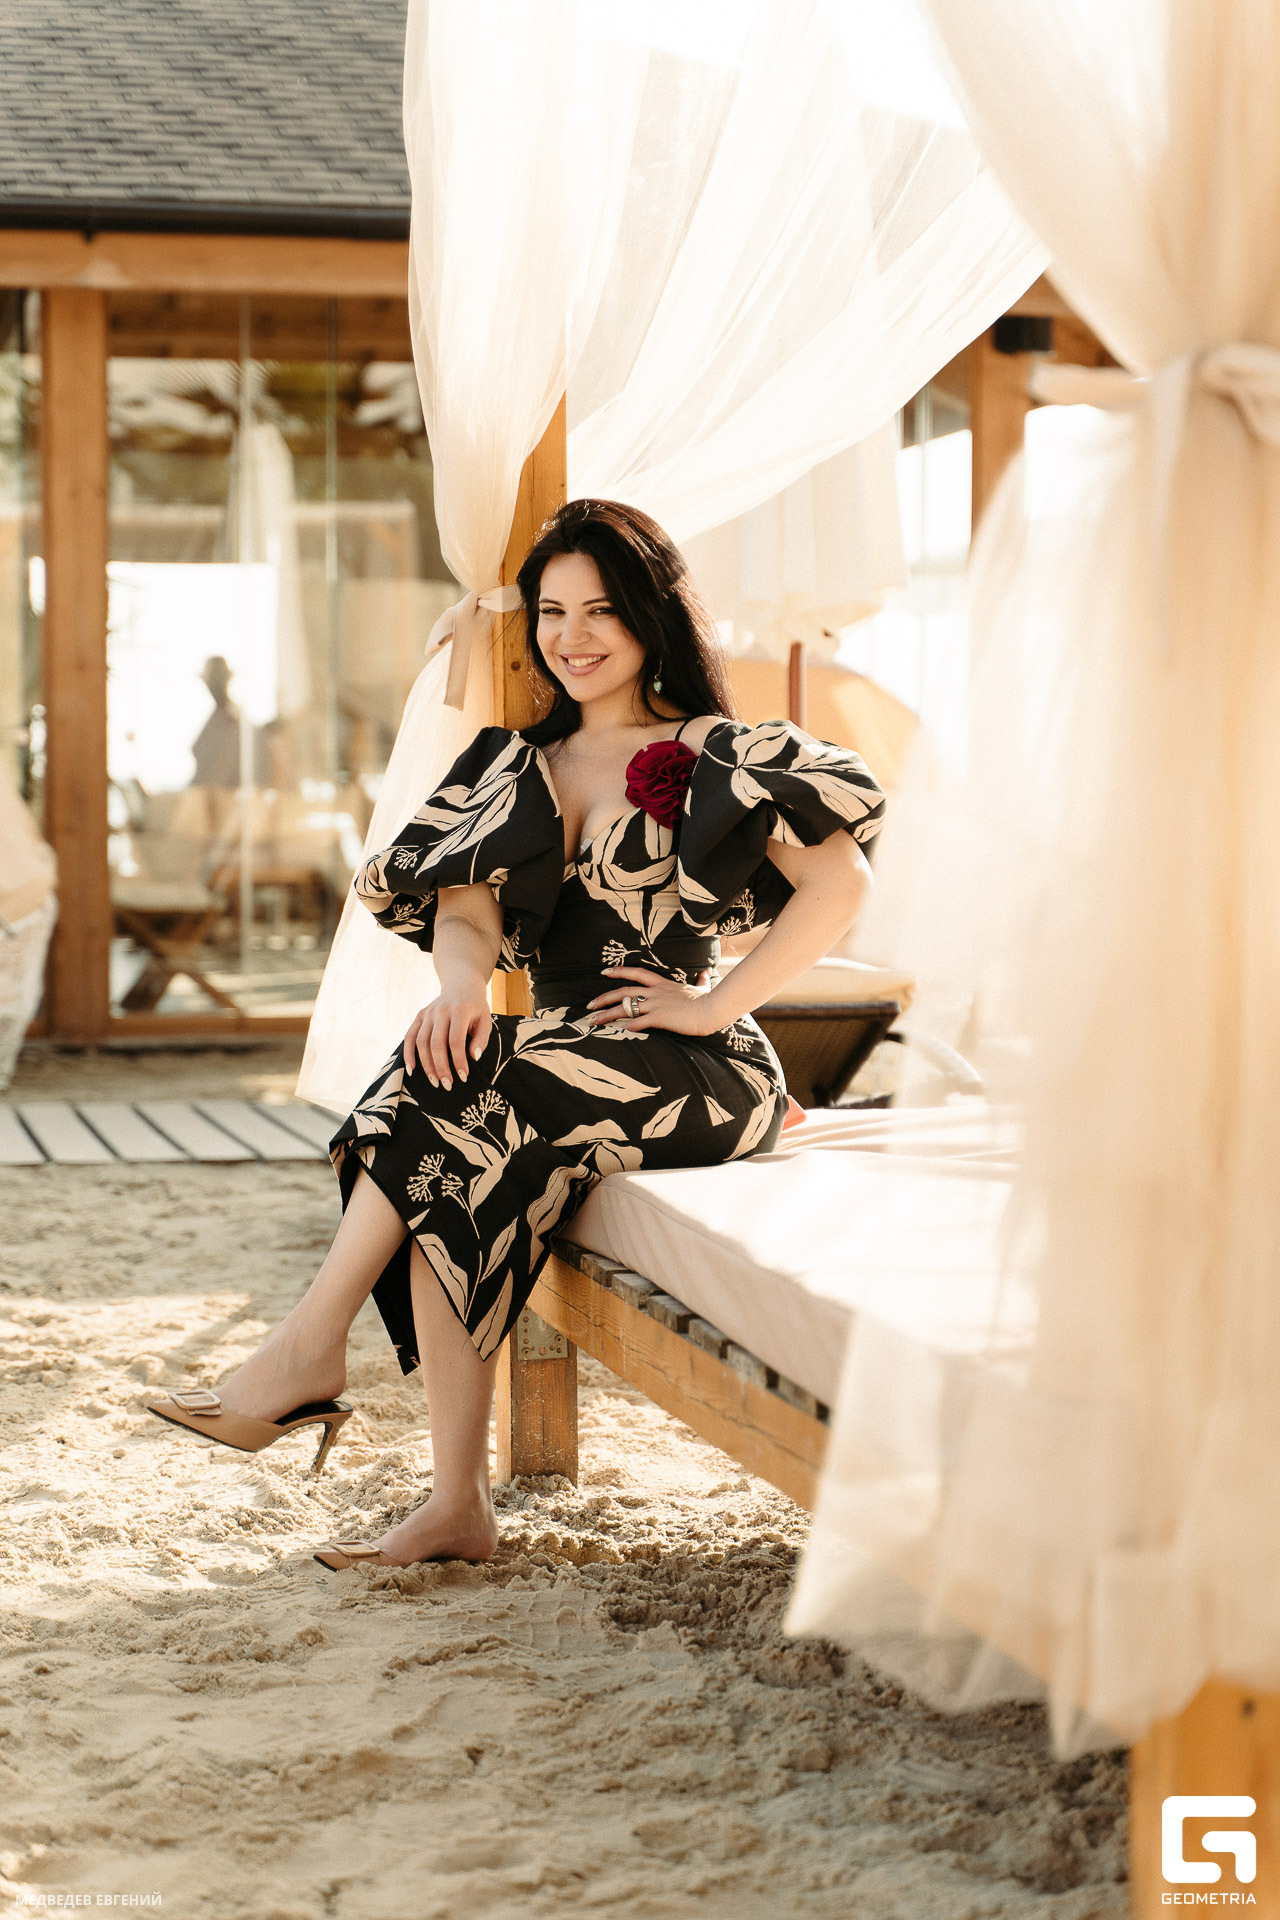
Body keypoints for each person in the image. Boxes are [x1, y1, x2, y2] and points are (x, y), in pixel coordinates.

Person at [148, 500, 885, 1569]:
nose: (571, 636)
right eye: (550, 612)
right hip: (549, 1055)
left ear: (649, 617)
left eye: (600, 610)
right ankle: (454, 1503)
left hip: (692, 1064)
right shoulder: (514, 762)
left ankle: (309, 1348)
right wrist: (458, 989)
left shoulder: (719, 751)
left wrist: (714, 1005)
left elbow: (841, 882)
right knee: (449, 1119)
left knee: (460, 1092)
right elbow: (465, 912)